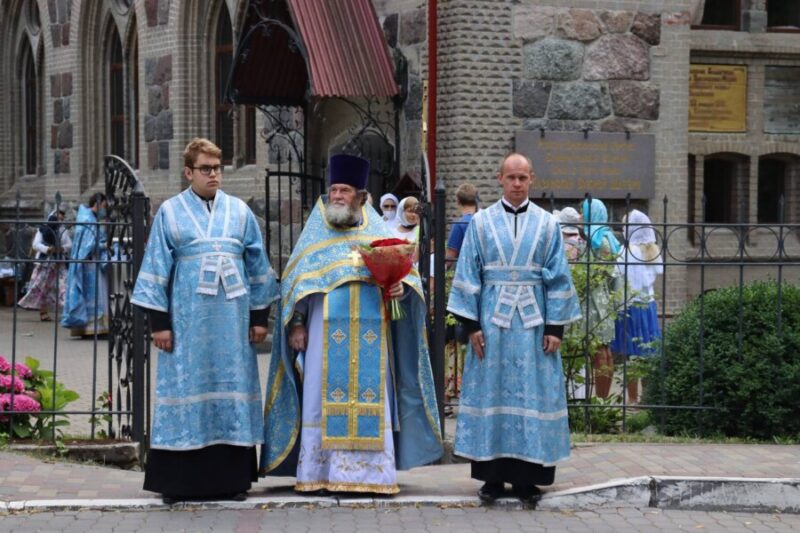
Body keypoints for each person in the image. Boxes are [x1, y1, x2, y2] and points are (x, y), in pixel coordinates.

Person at [261, 154, 442, 495]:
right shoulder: (315, 234)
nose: (337, 196)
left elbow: (407, 281)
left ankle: (371, 476)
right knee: (319, 400)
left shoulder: (377, 231)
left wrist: (400, 288)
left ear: (360, 196)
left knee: (373, 401)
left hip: (372, 336)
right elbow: (296, 285)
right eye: (333, 190)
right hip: (322, 336)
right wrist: (296, 324)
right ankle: (321, 473)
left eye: (344, 190)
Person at [131, 138, 280, 504]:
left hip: (232, 325)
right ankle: (179, 484)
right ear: (188, 172)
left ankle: (232, 480)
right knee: (187, 390)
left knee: (231, 388)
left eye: (217, 168)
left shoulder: (240, 212)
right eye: (205, 169)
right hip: (187, 326)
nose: (213, 175)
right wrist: (159, 324)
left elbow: (258, 266)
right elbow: (155, 267)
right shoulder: (170, 212)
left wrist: (260, 318)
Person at [447, 153, 581, 504]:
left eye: (523, 177)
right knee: (491, 391)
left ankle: (528, 479)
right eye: (511, 177)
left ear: (531, 178)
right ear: (500, 179)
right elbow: (467, 271)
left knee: (532, 391)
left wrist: (555, 327)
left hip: (534, 324)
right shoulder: (480, 223)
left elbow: (559, 275)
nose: (517, 183)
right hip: (492, 322)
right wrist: (471, 325)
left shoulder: (548, 224)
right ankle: (491, 478)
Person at [612, 209, 663, 403]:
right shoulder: (652, 250)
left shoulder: (627, 252)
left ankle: (632, 399)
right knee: (648, 352)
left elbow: (617, 275)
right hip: (648, 305)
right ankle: (647, 398)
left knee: (631, 354)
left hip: (630, 306)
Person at [581, 198, 622, 399]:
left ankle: (600, 398)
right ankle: (603, 398)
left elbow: (591, 270)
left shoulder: (595, 238)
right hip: (604, 297)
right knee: (604, 349)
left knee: (598, 350)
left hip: (593, 298)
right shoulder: (608, 236)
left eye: (583, 212)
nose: (581, 216)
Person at [61, 192, 109, 336]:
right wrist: (104, 245)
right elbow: (87, 246)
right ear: (98, 204)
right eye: (104, 206)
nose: (104, 210)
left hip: (89, 262)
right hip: (89, 263)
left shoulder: (88, 218)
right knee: (94, 295)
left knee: (93, 295)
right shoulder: (88, 220)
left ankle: (92, 328)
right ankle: (92, 329)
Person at [556, 207, 587, 401]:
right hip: (580, 298)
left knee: (565, 344)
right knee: (577, 345)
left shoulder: (562, 244)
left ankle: (566, 390)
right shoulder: (582, 243)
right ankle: (578, 391)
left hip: (563, 298)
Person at [18, 208, 71, 321]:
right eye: (57, 218)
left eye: (61, 219)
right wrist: (47, 249)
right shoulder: (43, 229)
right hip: (44, 263)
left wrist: (61, 248)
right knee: (42, 288)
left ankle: (67, 312)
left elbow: (69, 244)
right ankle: (43, 312)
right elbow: (35, 245)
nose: (59, 221)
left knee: (64, 287)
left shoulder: (63, 231)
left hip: (58, 263)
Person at [445, 183, 479, 265]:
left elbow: (450, 259)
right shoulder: (485, 220)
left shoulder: (459, 224)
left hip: (468, 269)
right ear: (476, 200)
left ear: (458, 201)